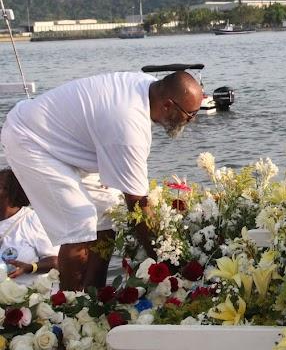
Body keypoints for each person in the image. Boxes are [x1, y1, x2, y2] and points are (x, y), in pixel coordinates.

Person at [0, 71, 203, 290]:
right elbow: (138, 206)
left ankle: (95, 297)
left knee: (109, 212)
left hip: (66, 142)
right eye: (190, 114)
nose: (192, 120)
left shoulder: (150, 88)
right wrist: (167, 261)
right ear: (167, 105)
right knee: (80, 222)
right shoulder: (129, 126)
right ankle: (70, 302)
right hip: (30, 139)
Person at [0, 168, 58, 285]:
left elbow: (56, 260)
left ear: (11, 192)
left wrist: (30, 267)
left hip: (28, 293)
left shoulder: (32, 219)